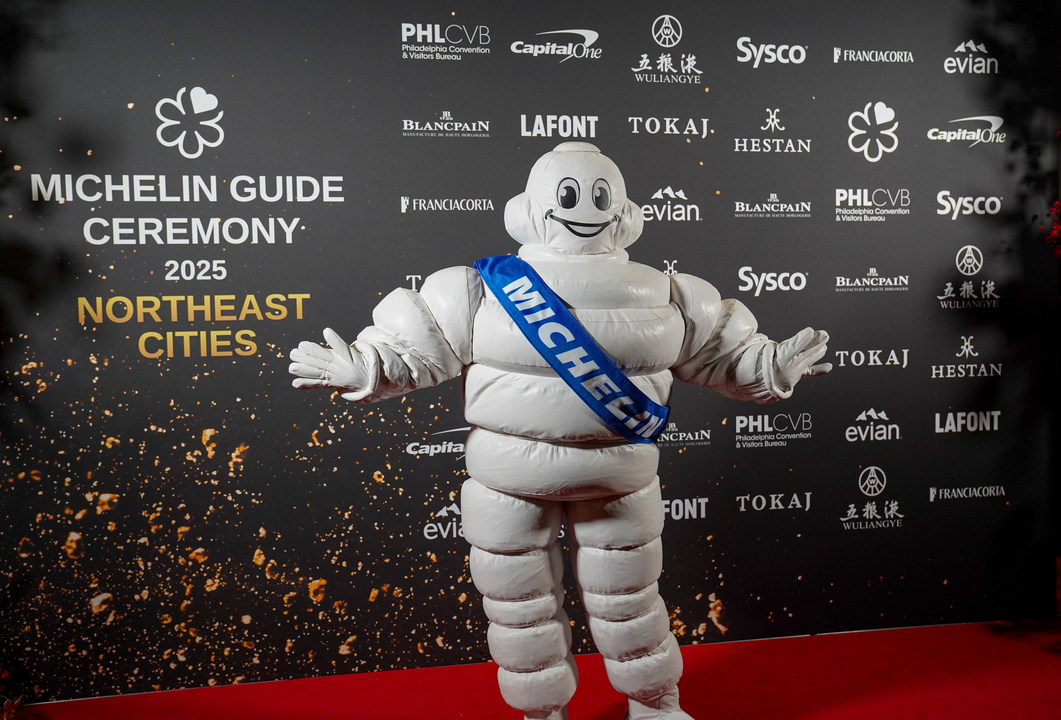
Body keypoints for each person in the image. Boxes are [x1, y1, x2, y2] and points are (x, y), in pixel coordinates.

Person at [289, 142, 830, 720]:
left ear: (623, 211)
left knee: (630, 602)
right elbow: (417, 347)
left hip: (616, 478)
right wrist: (366, 368)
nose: (585, 208)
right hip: (507, 484)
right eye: (569, 196)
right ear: (530, 208)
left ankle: (654, 703)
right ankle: (542, 711)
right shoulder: (478, 289)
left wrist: (769, 368)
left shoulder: (667, 294)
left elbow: (723, 354)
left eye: (600, 195)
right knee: (519, 605)